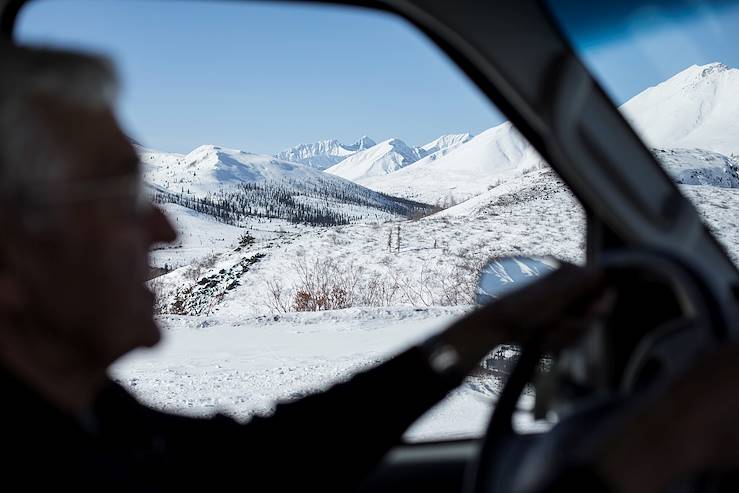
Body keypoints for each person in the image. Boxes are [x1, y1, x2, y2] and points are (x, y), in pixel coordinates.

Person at [0, 42, 613, 491]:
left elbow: (266, 462)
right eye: (123, 198)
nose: (164, 229)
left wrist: (486, 329)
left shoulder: (92, 415)